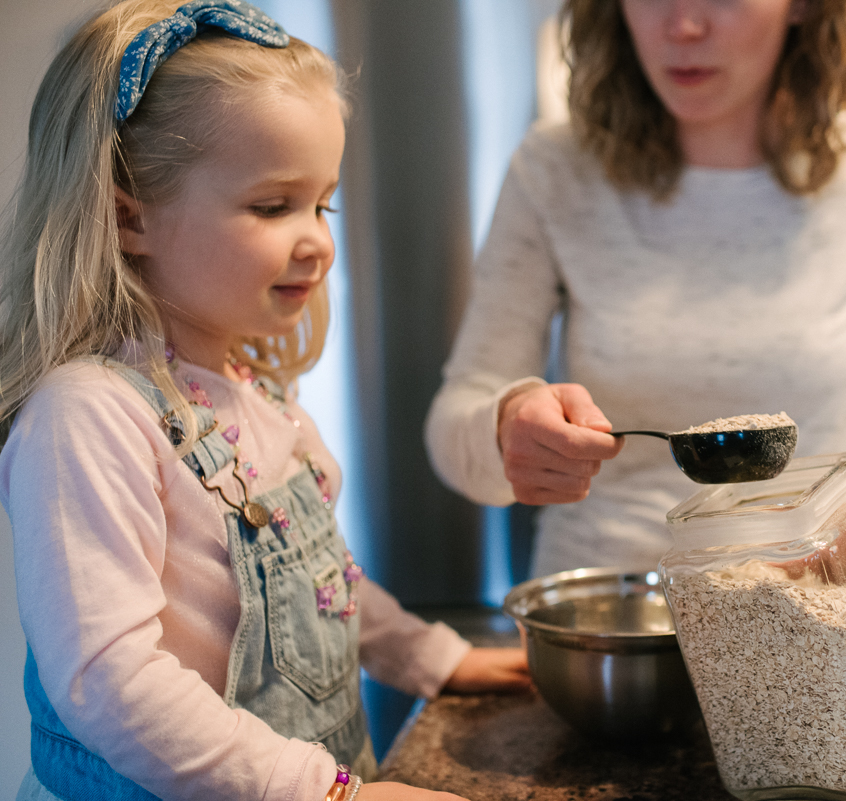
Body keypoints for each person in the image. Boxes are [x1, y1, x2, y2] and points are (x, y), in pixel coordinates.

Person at [0, 2, 527, 800]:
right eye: (273, 205)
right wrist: (329, 792)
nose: (317, 237)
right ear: (127, 215)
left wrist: (433, 658)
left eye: (324, 203)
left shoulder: (257, 394)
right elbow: (111, 680)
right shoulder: (85, 417)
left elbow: (327, 586)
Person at [425, 0, 846, 632]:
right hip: (603, 629)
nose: (684, 26)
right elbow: (455, 419)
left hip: (806, 616)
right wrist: (507, 426)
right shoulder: (553, 169)